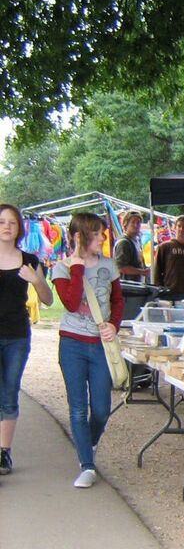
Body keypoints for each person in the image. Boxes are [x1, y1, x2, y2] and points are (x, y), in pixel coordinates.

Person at [52, 213, 123, 488]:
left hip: (100, 345)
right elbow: (70, 302)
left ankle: (88, 442)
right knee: (78, 408)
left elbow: (118, 301)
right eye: (96, 234)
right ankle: (87, 464)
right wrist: (78, 266)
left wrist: (114, 326)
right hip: (72, 343)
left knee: (103, 409)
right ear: (80, 236)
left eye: (102, 233)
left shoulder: (109, 265)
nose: (103, 238)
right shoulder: (62, 267)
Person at [0, 204, 54, 475]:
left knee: (9, 394)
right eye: (1, 222)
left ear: (19, 227)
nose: (7, 226)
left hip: (17, 336)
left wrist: (36, 280)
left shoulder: (30, 260)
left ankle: (3, 453)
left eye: (12, 222)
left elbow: (47, 299)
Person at [113, 210, 149, 280]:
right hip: (127, 287)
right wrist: (142, 272)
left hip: (136, 285)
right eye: (133, 222)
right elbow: (120, 267)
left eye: (138, 222)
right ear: (126, 224)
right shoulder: (124, 243)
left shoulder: (136, 241)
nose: (136, 225)